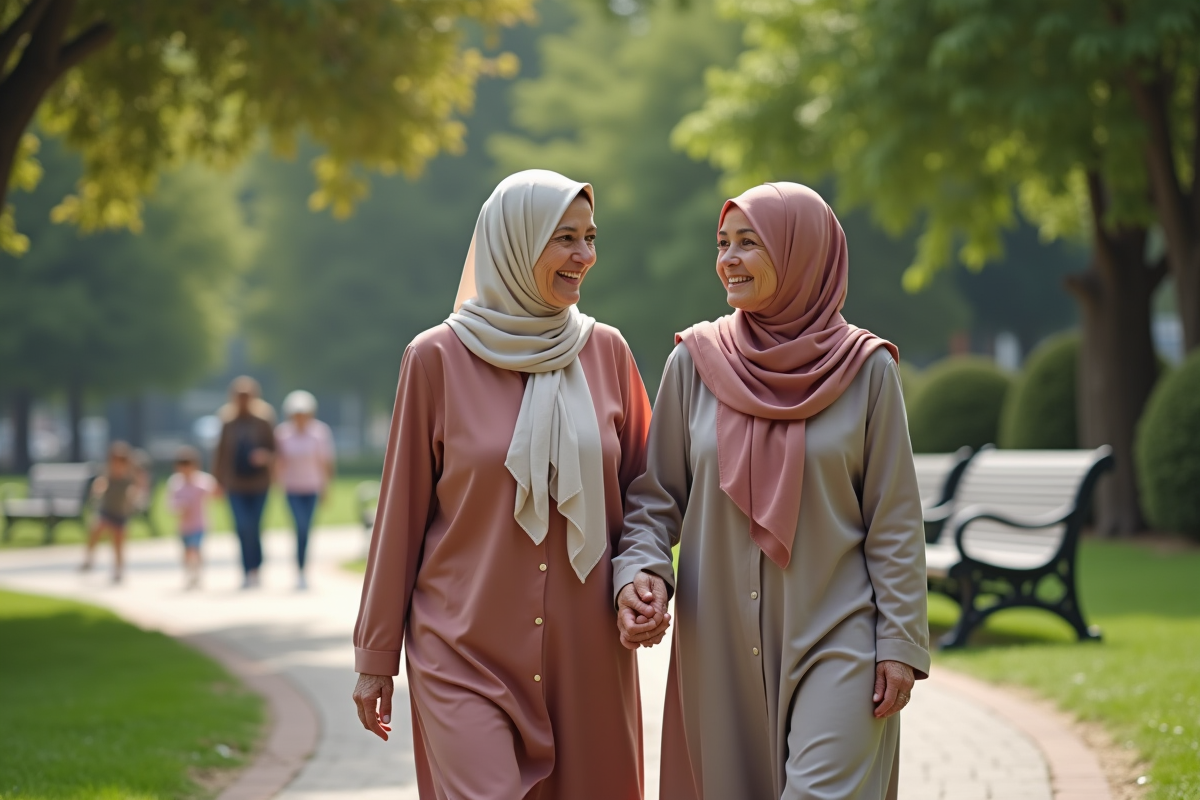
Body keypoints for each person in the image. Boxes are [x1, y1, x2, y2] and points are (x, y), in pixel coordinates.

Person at [614, 183, 929, 799]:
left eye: (748, 243)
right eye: (722, 244)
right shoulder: (694, 365)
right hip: (720, 644)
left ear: (802, 254)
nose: (727, 258)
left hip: (840, 632)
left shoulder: (868, 372)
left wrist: (899, 640)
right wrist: (642, 570)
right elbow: (655, 500)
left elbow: (894, 519)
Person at [351, 170, 654, 799]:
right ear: (513, 243)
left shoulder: (607, 353)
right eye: (564, 238)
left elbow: (648, 496)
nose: (584, 256)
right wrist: (375, 658)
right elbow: (399, 518)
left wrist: (643, 577)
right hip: (463, 649)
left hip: (587, 658)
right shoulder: (435, 359)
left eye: (591, 238)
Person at [213, 376, 276, 589]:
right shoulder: (227, 421)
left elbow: (274, 449)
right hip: (235, 483)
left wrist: (264, 456)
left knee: (255, 526)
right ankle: (246, 568)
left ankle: (256, 567)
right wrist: (218, 480)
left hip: (259, 483)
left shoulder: (264, 420)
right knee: (241, 526)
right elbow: (220, 452)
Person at [275, 390, 335, 590]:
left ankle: (303, 569)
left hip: (312, 487)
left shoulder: (319, 432)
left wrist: (327, 488)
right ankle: (299, 568)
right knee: (299, 526)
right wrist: (277, 482)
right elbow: (279, 462)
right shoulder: (282, 434)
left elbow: (325, 462)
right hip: (292, 488)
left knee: (306, 528)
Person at [80, 441, 138, 583]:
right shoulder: (108, 473)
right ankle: (89, 559)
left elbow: (134, 489)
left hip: (121, 513)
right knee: (96, 529)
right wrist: (98, 490)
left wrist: (133, 497)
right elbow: (101, 483)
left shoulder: (128, 476)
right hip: (106, 511)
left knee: (118, 542)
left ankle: (118, 569)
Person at [167, 445, 218, 590]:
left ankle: (198, 573)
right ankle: (189, 572)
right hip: (184, 526)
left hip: (199, 524)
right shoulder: (175, 483)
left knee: (195, 548)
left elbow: (214, 493)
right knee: (186, 551)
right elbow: (170, 504)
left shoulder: (203, 481)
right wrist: (179, 508)